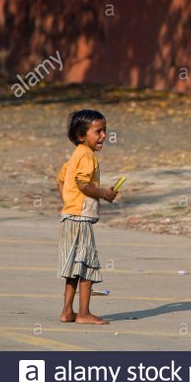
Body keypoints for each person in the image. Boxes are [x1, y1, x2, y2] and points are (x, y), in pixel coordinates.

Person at [56, 109, 117, 325]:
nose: (103, 136)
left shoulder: (75, 156)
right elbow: (83, 184)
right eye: (98, 131)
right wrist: (105, 194)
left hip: (70, 217)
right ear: (82, 135)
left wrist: (68, 202)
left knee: (73, 267)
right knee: (87, 267)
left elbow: (61, 180)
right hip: (80, 219)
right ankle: (83, 313)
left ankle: (67, 312)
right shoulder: (87, 156)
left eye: (105, 131)